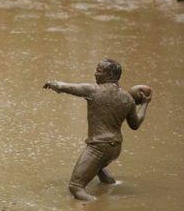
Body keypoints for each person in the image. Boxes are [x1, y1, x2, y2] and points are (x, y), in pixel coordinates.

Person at [43, 59, 151, 201]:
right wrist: (144, 104)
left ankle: (98, 209)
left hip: (98, 147)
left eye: (99, 71)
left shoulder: (94, 90)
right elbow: (135, 124)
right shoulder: (128, 99)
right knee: (97, 167)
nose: (95, 73)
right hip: (115, 148)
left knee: (75, 187)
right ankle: (110, 185)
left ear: (110, 75)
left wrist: (54, 84)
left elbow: (69, 87)